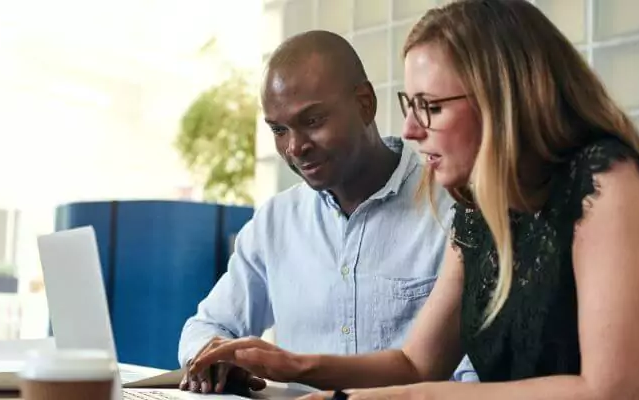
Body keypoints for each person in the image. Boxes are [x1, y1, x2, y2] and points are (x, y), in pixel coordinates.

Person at [187, 1, 639, 399]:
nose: (409, 128)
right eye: (410, 105)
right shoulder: (478, 211)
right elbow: (415, 363)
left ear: (500, 96)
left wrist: (404, 398)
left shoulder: (605, 180)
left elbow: (610, 391)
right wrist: (293, 365)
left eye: (430, 106)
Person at [177, 30, 477, 393]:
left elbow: (468, 379)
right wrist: (218, 360)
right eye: (279, 129)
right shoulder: (276, 222)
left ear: (365, 104)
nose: (295, 147)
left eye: (313, 121)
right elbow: (206, 327)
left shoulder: (454, 212)